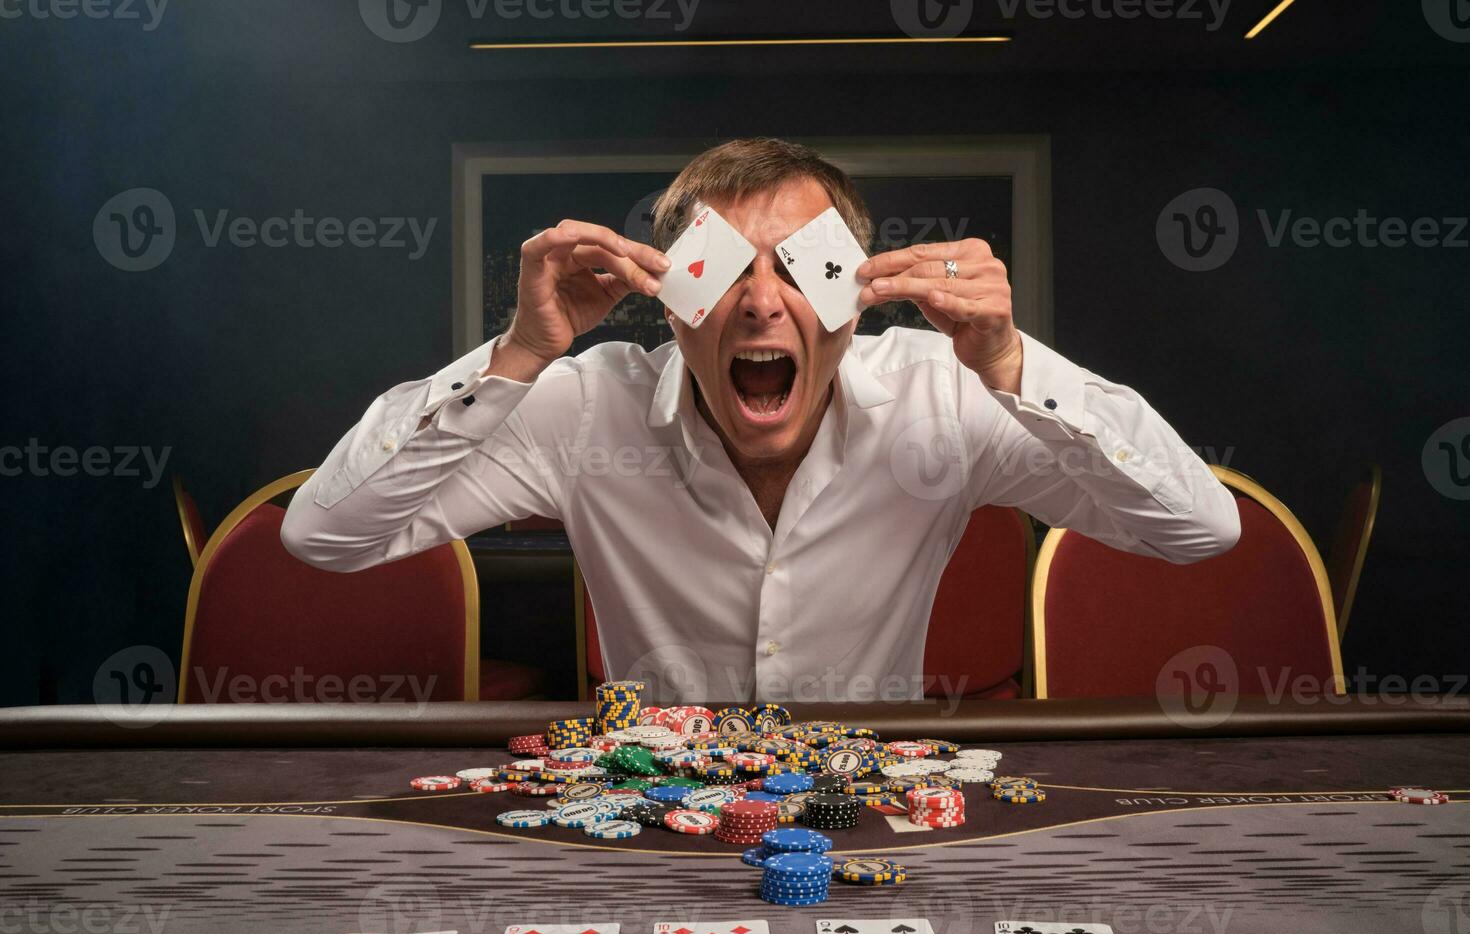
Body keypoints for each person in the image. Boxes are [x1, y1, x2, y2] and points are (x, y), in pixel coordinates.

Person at [281, 138, 1239, 703]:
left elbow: (1199, 527)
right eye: (725, 268)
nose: (760, 302)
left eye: (799, 267)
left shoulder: (942, 397)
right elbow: (323, 534)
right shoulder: (583, 408)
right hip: (652, 815)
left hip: (868, 814)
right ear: (670, 298)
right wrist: (521, 353)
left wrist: (1010, 362)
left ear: (855, 298)